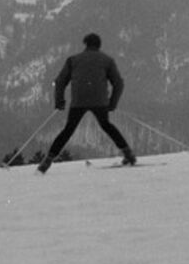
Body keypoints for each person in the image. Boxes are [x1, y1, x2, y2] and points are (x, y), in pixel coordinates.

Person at [38, 33, 135, 172]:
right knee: (107, 126)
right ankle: (128, 154)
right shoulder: (107, 60)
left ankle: (47, 161)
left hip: (79, 100)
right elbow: (118, 83)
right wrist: (112, 103)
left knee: (68, 130)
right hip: (99, 100)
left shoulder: (73, 60)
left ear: (86, 44)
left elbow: (60, 82)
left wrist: (59, 101)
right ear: (99, 45)